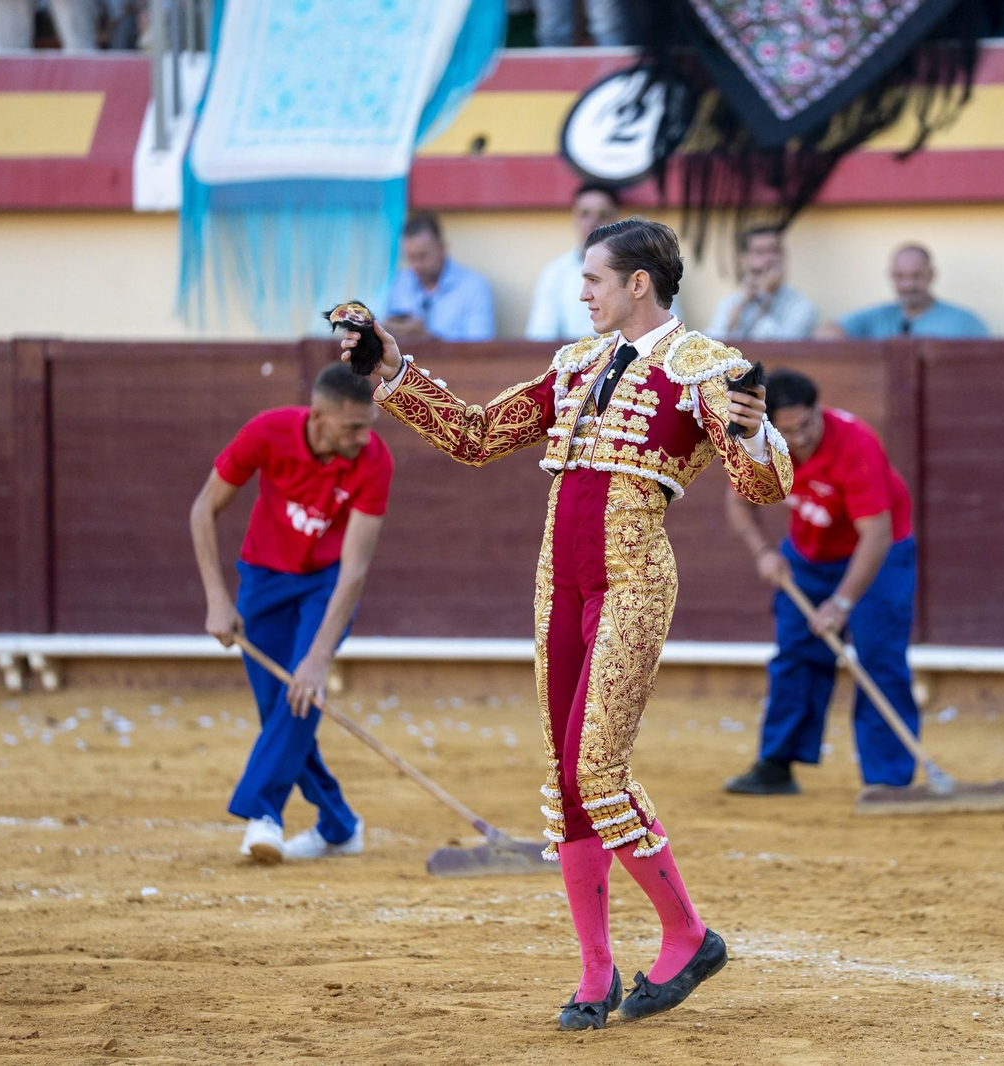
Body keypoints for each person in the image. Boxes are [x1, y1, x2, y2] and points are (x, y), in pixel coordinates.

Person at [340, 217, 792, 1031]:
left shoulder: (707, 368)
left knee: (597, 768)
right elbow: (478, 438)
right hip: (559, 585)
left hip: (632, 583)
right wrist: (393, 368)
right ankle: (594, 970)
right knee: (566, 777)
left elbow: (761, 491)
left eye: (592, 279)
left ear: (637, 285)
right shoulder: (574, 364)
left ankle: (687, 934)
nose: (581, 292)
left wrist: (758, 429)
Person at [189, 364, 393, 864]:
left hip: (326, 585)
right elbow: (202, 510)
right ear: (319, 419)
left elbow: (355, 568)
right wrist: (218, 597)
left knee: (301, 695)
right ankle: (340, 825)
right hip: (262, 578)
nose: (364, 437)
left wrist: (321, 656)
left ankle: (264, 814)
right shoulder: (268, 431)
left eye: (368, 425)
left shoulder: (374, 460)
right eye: (353, 427)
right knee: (278, 708)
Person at [722, 369, 948, 806]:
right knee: (795, 654)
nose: (799, 439)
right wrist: (763, 552)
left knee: (879, 658)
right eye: (787, 432)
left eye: (806, 426)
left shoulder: (855, 444)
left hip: (878, 557)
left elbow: (877, 535)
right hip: (808, 554)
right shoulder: (758, 442)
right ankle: (776, 765)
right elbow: (737, 499)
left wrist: (842, 602)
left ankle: (888, 780)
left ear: (818, 409)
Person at [377, 212, 496, 343]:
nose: (417, 265)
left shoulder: (474, 287)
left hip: (453, 364)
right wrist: (384, 332)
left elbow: (481, 351)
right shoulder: (400, 281)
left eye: (423, 256)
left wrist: (427, 338)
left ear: (442, 248)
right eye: (410, 258)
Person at [526, 183, 622, 342]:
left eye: (602, 214)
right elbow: (541, 338)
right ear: (574, 217)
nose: (593, 222)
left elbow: (664, 333)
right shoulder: (555, 273)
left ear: (616, 219)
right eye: (585, 213)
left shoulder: (641, 271)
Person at [831, 244, 989, 340]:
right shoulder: (877, 317)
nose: (908, 285)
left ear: (931, 274)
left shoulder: (963, 323)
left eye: (916, 276)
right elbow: (827, 333)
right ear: (891, 276)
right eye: (900, 276)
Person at [706, 226, 820, 341]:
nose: (769, 259)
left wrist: (764, 297)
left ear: (784, 256)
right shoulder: (730, 302)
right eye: (760, 252)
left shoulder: (801, 306)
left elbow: (777, 348)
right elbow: (714, 344)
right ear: (744, 260)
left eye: (775, 250)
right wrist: (741, 306)